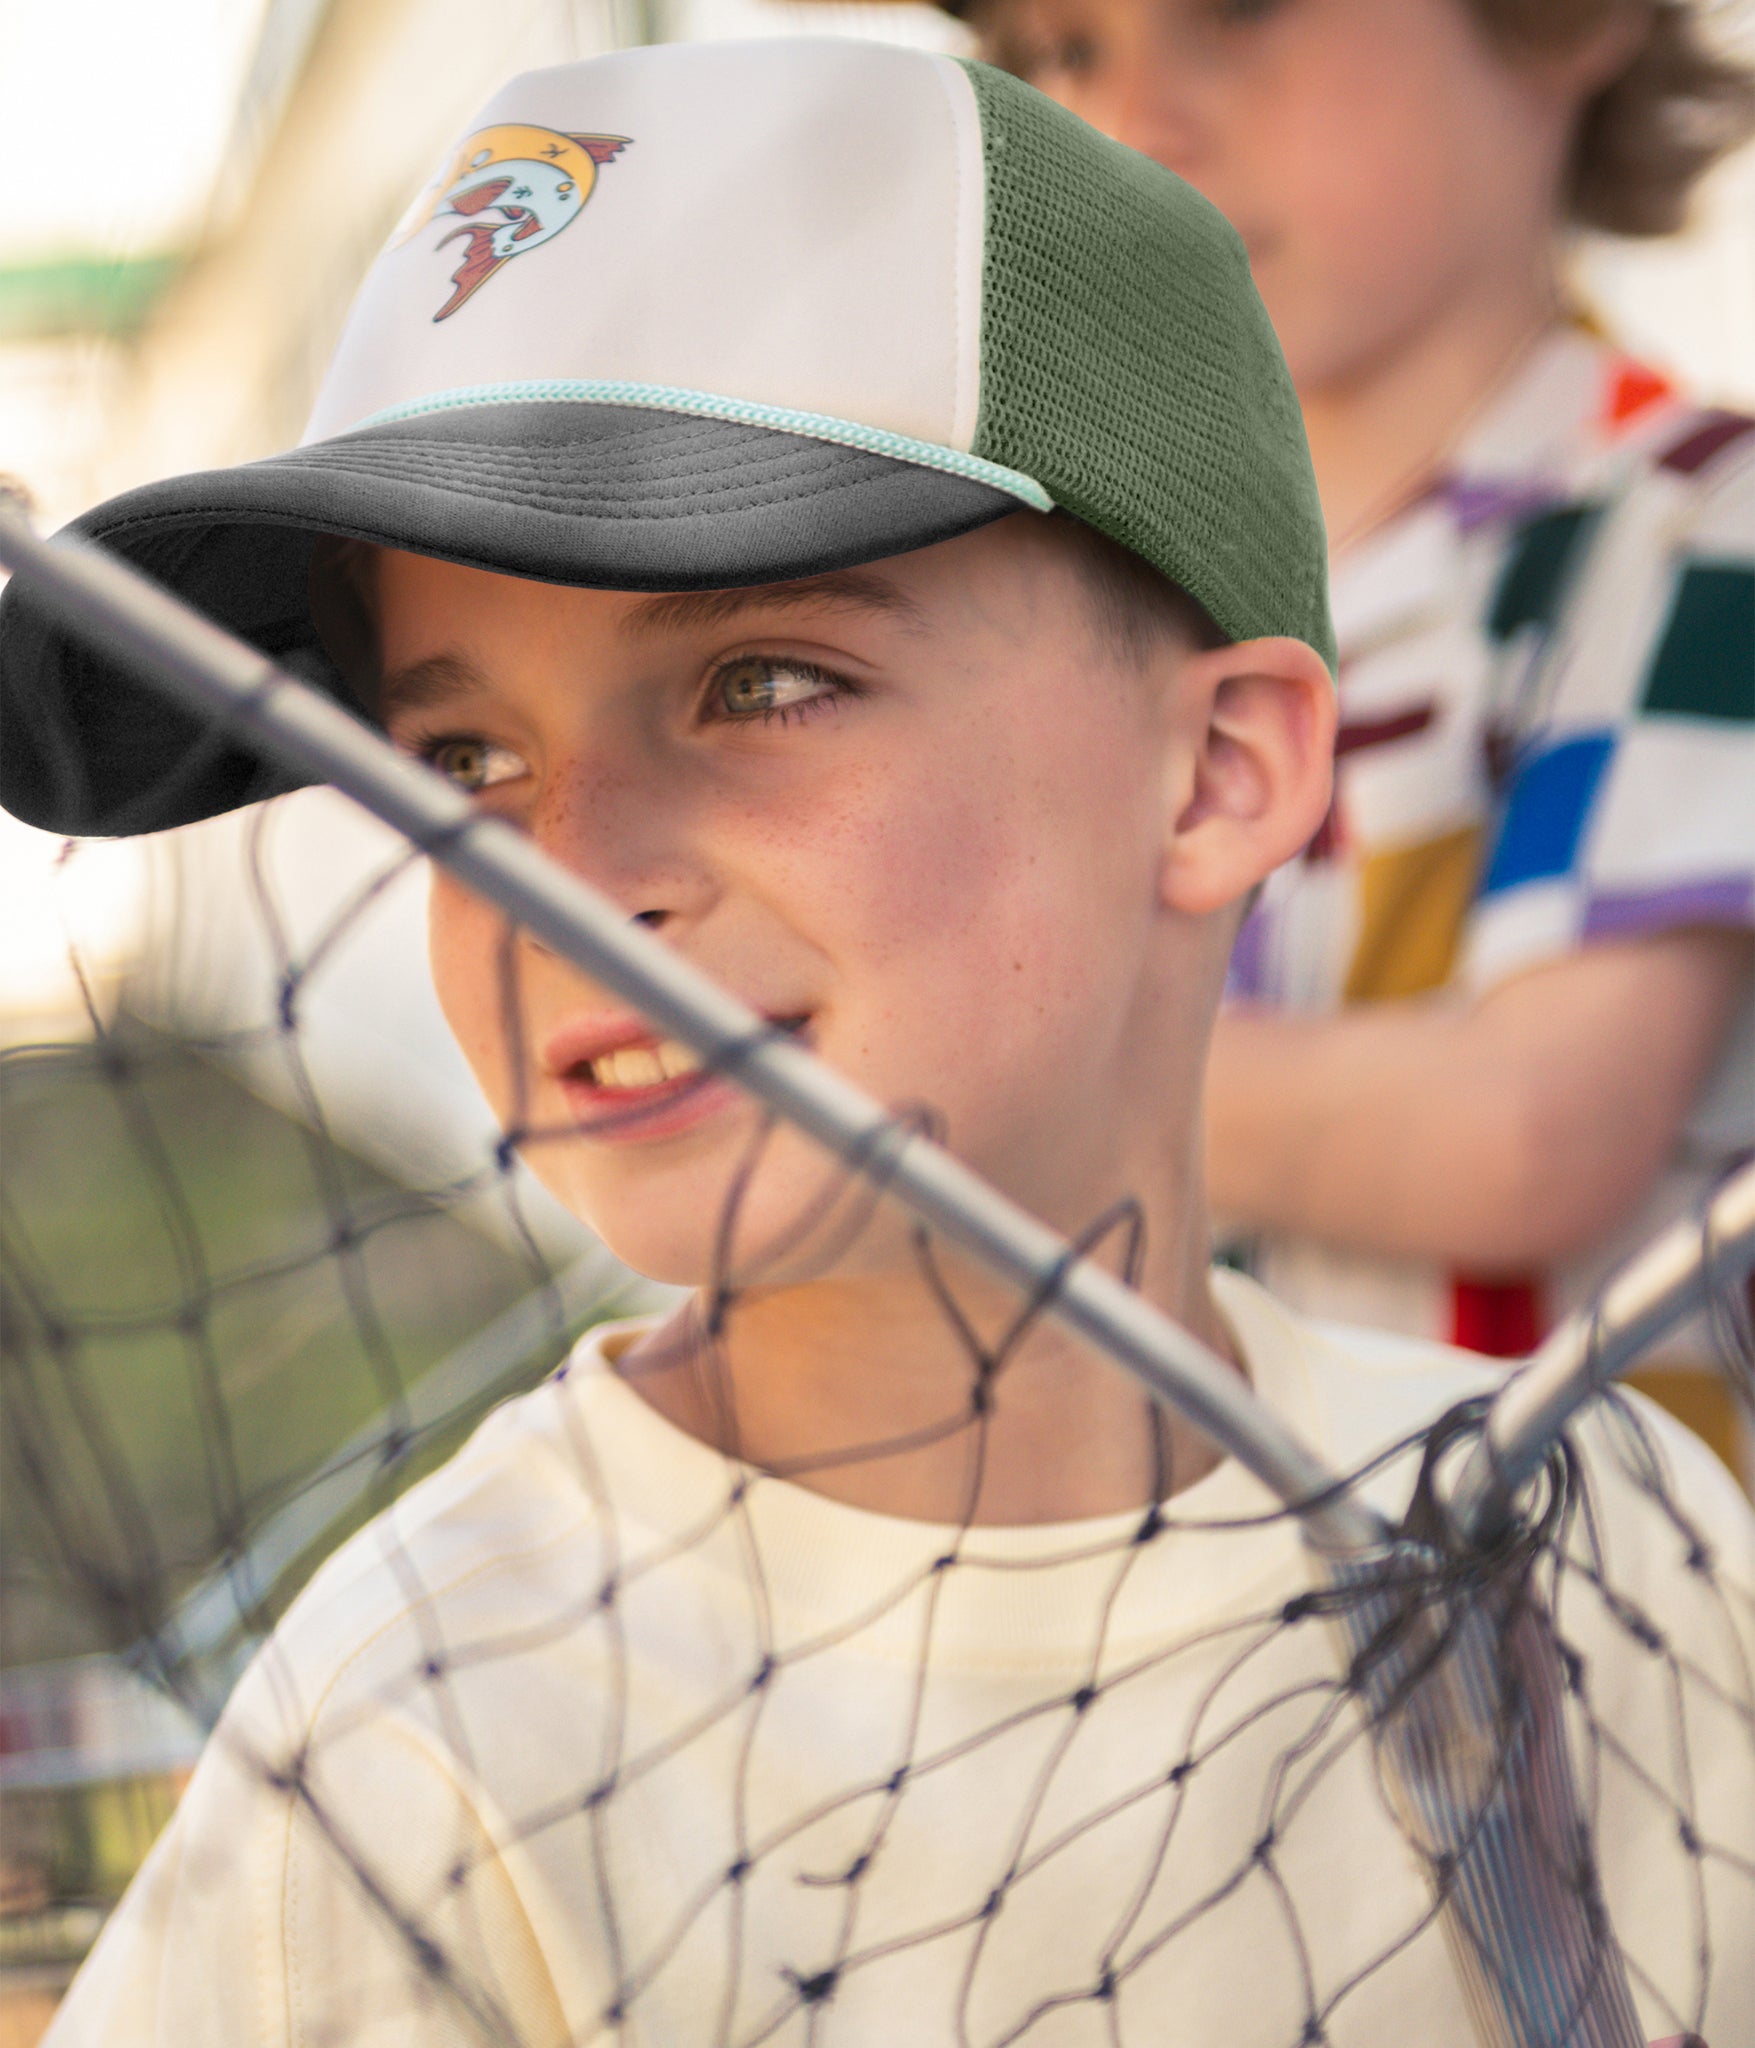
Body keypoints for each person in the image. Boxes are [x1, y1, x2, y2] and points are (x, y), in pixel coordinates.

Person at [0, 39, 1748, 2048]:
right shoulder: (422, 1735)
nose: (581, 875)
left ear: (1215, 776)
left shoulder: (1595, 1534)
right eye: (463, 754)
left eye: (759, 679)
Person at [953, 0, 1755, 1425]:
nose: (1137, 127)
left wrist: (939, 1075)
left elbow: (1532, 1130)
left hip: (1577, 1596)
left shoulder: (1703, 527)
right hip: (1192, 1600)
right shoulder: (1054, 585)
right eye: (1069, 49)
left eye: (1240, 14)